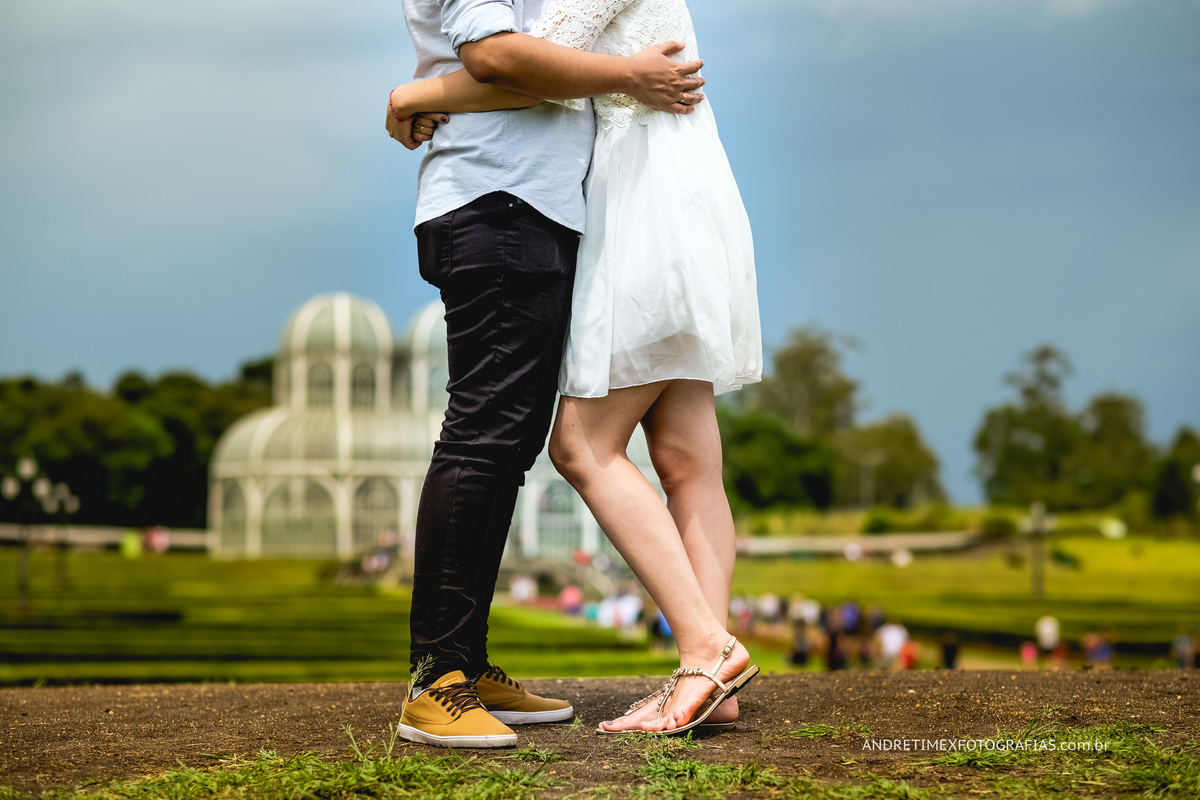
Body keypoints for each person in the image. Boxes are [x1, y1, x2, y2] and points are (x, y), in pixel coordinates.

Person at [388, 0, 761, 736]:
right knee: (515, 437)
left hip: (626, 206)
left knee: (568, 444)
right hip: (580, 199)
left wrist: (415, 95)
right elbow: (509, 62)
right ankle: (443, 671)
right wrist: (420, 93)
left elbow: (524, 68)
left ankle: (704, 660)